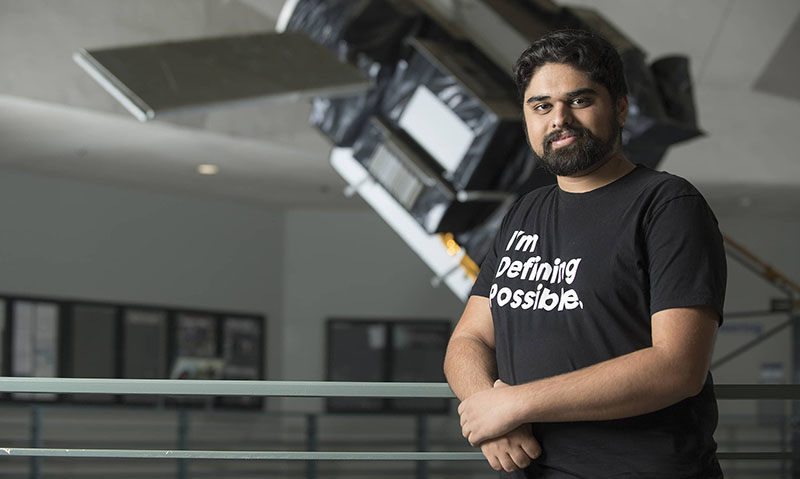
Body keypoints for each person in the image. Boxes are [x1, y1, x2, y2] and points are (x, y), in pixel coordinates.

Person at [443, 29, 726, 478]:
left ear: (620, 107)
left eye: (579, 101)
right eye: (541, 106)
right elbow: (468, 341)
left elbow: (678, 366)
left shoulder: (667, 205)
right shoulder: (524, 211)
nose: (559, 119)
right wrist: (486, 410)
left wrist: (514, 404)